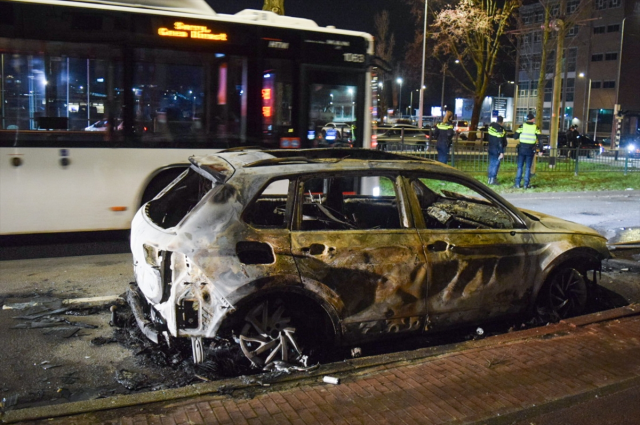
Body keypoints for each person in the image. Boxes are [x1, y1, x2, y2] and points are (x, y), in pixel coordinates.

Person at [513, 113, 543, 189]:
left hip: (522, 149)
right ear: (532, 119)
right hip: (530, 149)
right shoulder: (536, 127)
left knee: (520, 167)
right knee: (528, 167)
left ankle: (517, 184)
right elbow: (540, 139)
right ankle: (526, 184)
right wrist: (541, 150)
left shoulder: (522, 126)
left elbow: (515, 137)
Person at [487, 116, 508, 185]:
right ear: (502, 122)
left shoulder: (491, 127)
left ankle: (490, 178)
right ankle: (493, 179)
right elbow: (500, 141)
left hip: (491, 147)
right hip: (497, 149)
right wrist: (501, 152)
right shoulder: (500, 129)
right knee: (496, 164)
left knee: (491, 163)